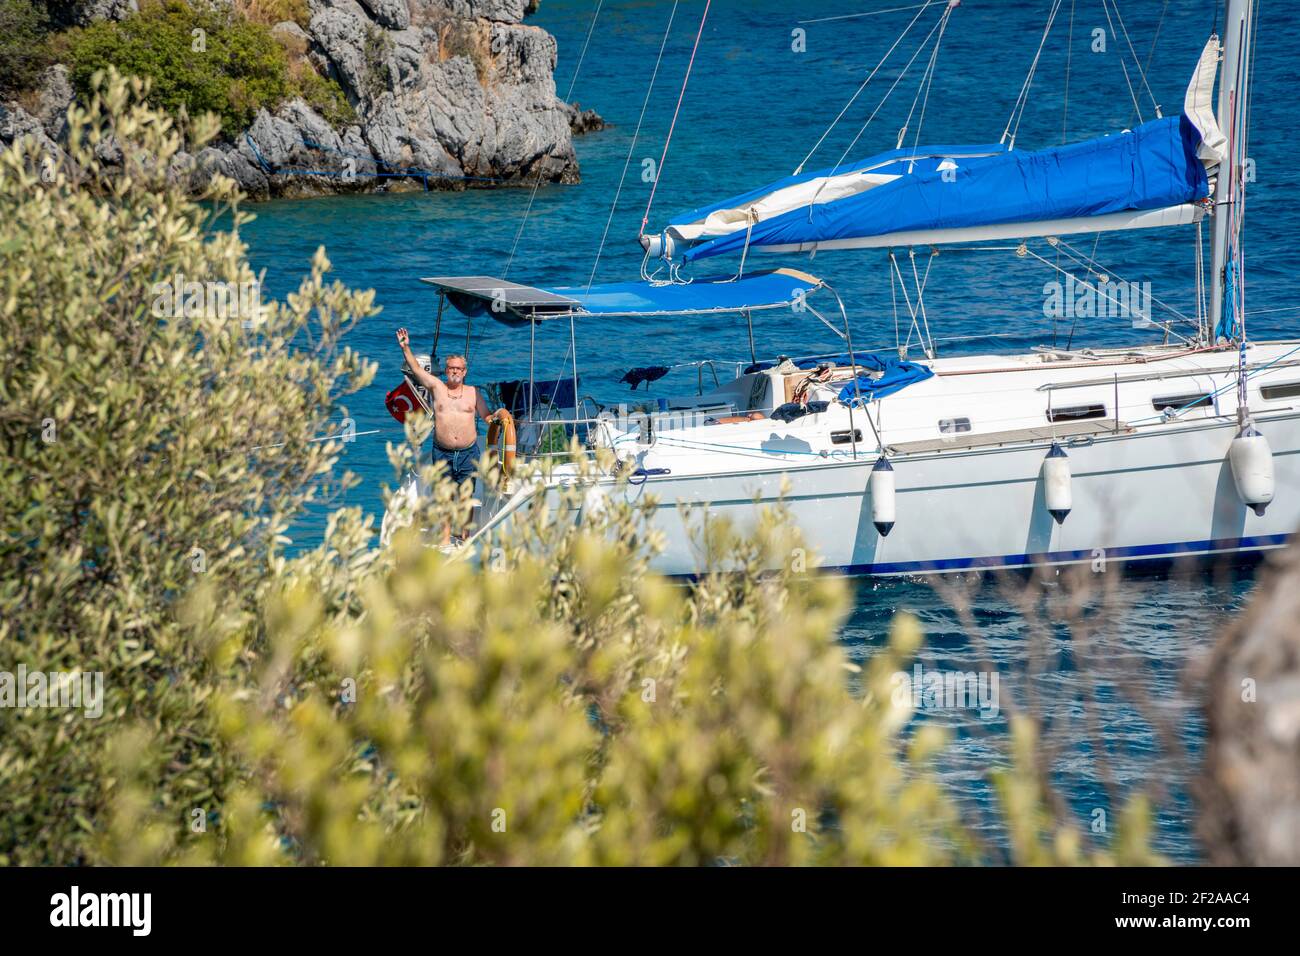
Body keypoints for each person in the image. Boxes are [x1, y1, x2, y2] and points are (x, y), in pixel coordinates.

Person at [396, 328, 504, 538]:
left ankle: (465, 537)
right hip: (442, 452)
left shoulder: (473, 393)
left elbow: (486, 416)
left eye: (458, 369)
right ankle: (446, 537)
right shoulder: (437, 387)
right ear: (446, 371)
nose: (454, 371)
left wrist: (501, 421)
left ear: (464, 372)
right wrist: (405, 347)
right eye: (451, 368)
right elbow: (416, 369)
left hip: (467, 453)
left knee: (466, 498)